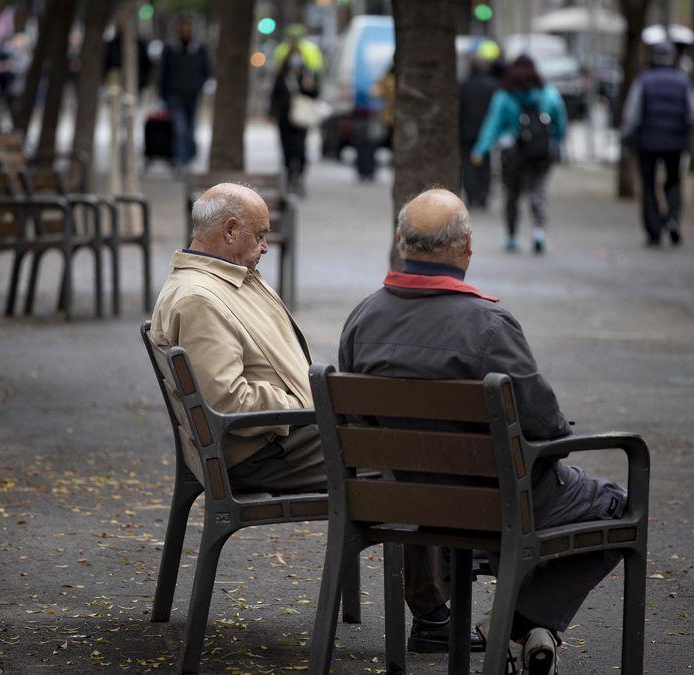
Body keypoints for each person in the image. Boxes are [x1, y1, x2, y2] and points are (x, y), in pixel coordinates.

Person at [149, 184, 467, 652]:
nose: (264, 247)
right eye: (259, 236)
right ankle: (434, 616)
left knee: (400, 438)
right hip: (263, 447)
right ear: (230, 230)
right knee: (409, 463)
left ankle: (451, 579)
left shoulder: (223, 278)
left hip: (284, 432)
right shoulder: (202, 298)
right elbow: (228, 402)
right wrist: (314, 401)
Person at [339, 188, 630, 674]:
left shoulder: (362, 319)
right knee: (614, 504)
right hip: (494, 506)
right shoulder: (489, 326)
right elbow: (547, 427)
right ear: (467, 246)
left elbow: (357, 423)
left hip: (401, 501)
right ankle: (519, 621)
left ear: (401, 241)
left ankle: (516, 626)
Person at [471, 55, 567, 254]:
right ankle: (538, 231)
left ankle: (512, 236)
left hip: (513, 152)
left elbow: (493, 123)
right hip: (541, 151)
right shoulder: (548, 93)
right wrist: (557, 147)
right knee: (538, 190)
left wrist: (480, 149)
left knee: (511, 194)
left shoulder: (505, 95)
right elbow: (560, 121)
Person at [621, 41, 694, 247]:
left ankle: (654, 230)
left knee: (648, 187)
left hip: (647, 143)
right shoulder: (683, 81)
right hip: (675, 143)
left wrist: (626, 135)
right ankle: (673, 219)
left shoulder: (644, 80)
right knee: (674, 183)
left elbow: (632, 115)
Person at [159, 18, 210, 170]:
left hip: (193, 95)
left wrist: (199, 85)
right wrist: (163, 94)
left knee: (191, 128)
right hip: (175, 95)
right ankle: (181, 160)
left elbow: (206, 71)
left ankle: (189, 156)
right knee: (180, 128)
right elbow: (164, 74)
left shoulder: (199, 50)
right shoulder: (171, 50)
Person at [269, 47, 320, 196]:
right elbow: (275, 96)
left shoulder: (307, 74)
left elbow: (315, 94)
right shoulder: (282, 75)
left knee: (300, 149)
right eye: (293, 56)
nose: (296, 60)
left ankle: (299, 177)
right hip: (285, 119)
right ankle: (290, 178)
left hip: (301, 118)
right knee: (287, 150)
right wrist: (272, 114)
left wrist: (310, 87)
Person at [460, 56, 499, 209]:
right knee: (485, 164)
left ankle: (471, 195)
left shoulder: (464, 85)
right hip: (485, 132)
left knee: (468, 165)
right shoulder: (492, 86)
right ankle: (483, 194)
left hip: (466, 131)